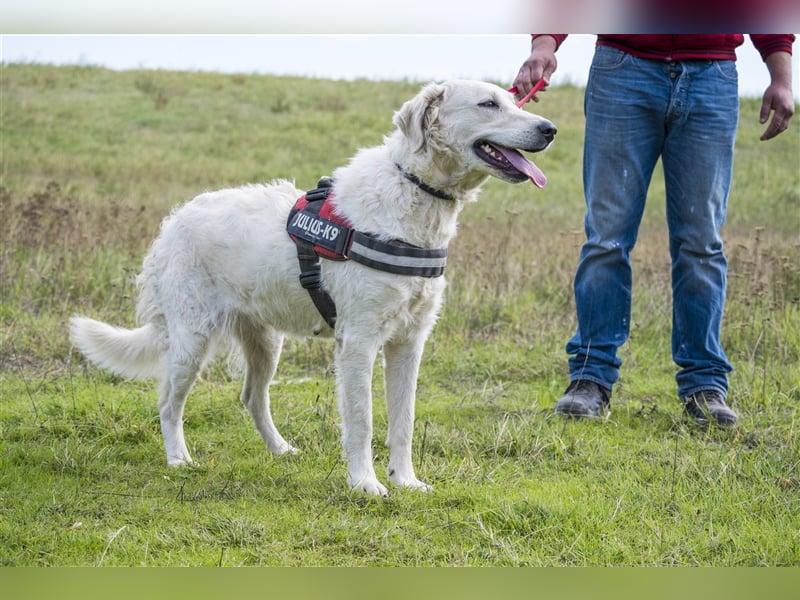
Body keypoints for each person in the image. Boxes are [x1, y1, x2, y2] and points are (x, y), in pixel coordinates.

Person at [513, 35, 795, 426]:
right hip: (622, 70)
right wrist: (544, 46)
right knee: (606, 238)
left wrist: (781, 76)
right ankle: (590, 379)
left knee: (702, 242)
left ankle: (704, 386)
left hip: (712, 76)